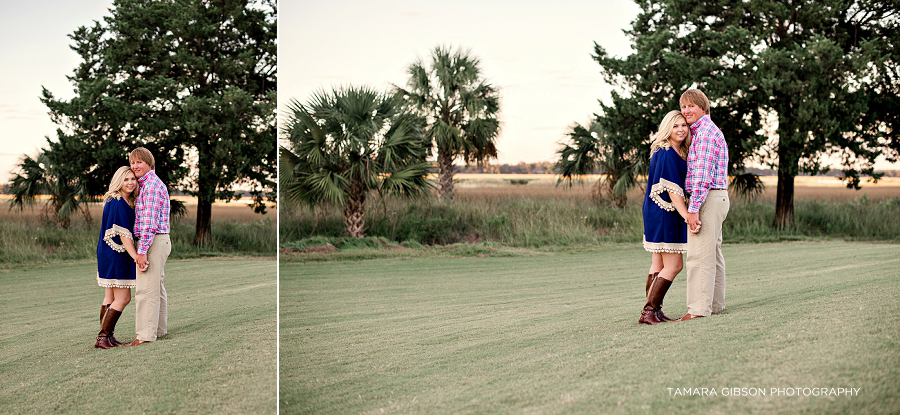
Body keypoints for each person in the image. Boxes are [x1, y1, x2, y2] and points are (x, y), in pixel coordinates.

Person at [678, 89, 730, 321]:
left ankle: (698, 310)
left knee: (699, 256)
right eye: (683, 106)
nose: (686, 111)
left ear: (703, 108)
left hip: (707, 197)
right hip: (714, 197)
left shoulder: (706, 133)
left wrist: (693, 208)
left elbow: (702, 176)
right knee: (713, 254)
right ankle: (715, 305)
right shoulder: (702, 132)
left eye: (691, 106)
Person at [639, 110, 694, 325]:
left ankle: (653, 311)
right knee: (674, 265)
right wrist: (687, 215)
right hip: (665, 212)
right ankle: (648, 311)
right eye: (675, 126)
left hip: (658, 211)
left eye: (684, 125)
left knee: (659, 263)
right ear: (667, 129)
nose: (681, 129)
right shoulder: (666, 151)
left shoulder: (676, 151)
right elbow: (673, 190)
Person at [124, 147, 171, 347]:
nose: (134, 166)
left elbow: (149, 224)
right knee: (156, 287)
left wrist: (141, 252)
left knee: (145, 290)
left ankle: (145, 334)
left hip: (153, 241)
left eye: (139, 162)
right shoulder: (146, 184)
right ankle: (158, 330)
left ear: (149, 164)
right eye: (132, 162)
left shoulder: (151, 186)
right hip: (159, 240)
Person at [95, 166, 142, 349]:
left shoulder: (117, 200)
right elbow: (123, 234)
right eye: (126, 179)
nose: (130, 182)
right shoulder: (118, 202)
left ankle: (107, 337)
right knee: (123, 298)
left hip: (108, 252)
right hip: (117, 253)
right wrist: (136, 256)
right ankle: (103, 336)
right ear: (118, 182)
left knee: (110, 296)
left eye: (133, 179)